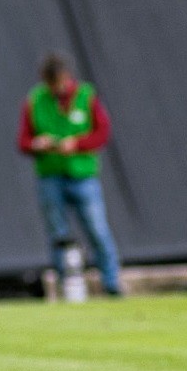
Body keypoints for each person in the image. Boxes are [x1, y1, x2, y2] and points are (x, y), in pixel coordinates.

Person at [18, 53, 122, 296]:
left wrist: (77, 144)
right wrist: (37, 144)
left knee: (97, 229)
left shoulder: (86, 95)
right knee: (58, 234)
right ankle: (67, 286)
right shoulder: (35, 100)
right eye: (50, 82)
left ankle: (111, 283)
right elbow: (23, 141)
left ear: (67, 76)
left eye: (58, 81)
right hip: (50, 175)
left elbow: (102, 133)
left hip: (83, 175)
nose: (56, 87)